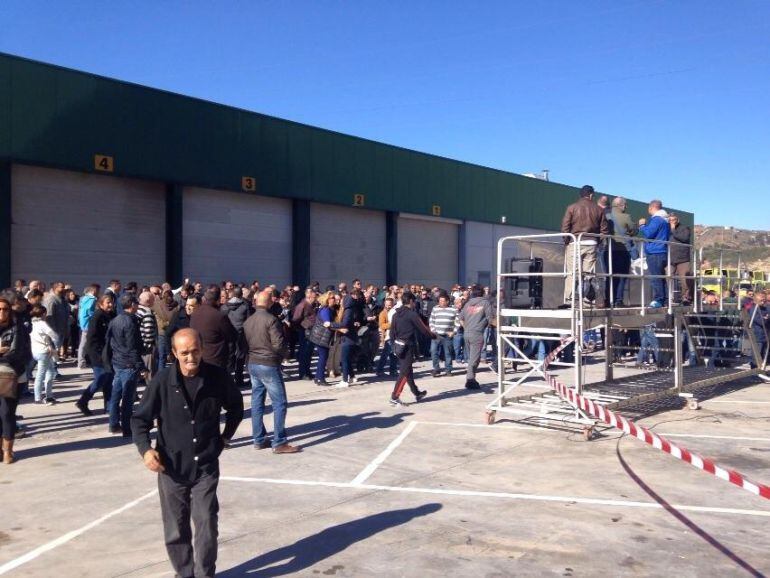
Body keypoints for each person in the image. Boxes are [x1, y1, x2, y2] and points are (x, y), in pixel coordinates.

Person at [131, 328, 243, 578]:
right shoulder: (161, 381)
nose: (190, 357)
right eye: (184, 353)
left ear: (202, 349)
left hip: (205, 465)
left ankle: (205, 574)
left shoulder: (217, 377)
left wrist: (225, 437)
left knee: (206, 524)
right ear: (174, 353)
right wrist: (146, 451)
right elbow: (139, 420)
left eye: (195, 351)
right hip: (171, 467)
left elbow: (235, 407)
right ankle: (184, 574)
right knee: (175, 528)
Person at [243, 290, 299, 454]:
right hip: (267, 363)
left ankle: (259, 439)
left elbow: (244, 344)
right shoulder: (271, 320)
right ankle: (279, 441)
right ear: (269, 303)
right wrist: (286, 354)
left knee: (257, 401)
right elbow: (278, 344)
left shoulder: (249, 321)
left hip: (253, 362)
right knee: (279, 403)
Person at [560, 185, 609, 306]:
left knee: (573, 272)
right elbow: (604, 230)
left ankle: (570, 300)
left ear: (580, 195)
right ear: (591, 195)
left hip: (574, 242)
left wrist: (567, 241)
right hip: (591, 243)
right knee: (588, 273)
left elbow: (565, 227)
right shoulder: (599, 209)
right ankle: (588, 300)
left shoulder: (572, 207)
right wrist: (598, 242)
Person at [106, 294, 147, 436]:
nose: (138, 306)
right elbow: (132, 346)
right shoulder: (130, 322)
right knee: (127, 398)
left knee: (116, 395)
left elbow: (109, 342)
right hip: (128, 363)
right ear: (132, 304)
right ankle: (127, 429)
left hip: (118, 362)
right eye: (136, 303)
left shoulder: (115, 320)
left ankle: (113, 424)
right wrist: (140, 365)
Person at [388, 292, 433, 407]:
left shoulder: (395, 314)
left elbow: (392, 332)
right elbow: (424, 330)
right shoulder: (412, 315)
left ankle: (417, 393)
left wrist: (394, 345)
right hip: (408, 346)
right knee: (404, 372)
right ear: (411, 301)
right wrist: (435, 336)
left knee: (408, 371)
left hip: (398, 346)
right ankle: (394, 397)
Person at [0, 297, 29, 463]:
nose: (2, 312)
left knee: (7, 413)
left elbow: (16, 353)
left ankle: (7, 451)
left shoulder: (17, 327)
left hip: (12, 376)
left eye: (5, 309)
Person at [76, 294, 116, 416]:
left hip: (109, 353)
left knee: (109, 380)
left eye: (111, 302)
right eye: (108, 303)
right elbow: (91, 339)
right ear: (101, 304)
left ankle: (109, 407)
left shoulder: (112, 315)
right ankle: (83, 401)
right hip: (97, 354)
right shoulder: (97, 317)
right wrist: (98, 356)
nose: (110, 305)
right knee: (100, 378)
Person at [190, 287, 238, 369]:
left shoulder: (195, 314)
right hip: (215, 360)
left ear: (204, 298)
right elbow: (232, 335)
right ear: (218, 300)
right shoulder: (219, 316)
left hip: (199, 357)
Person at [459, 286, 494, 390]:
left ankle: (470, 378)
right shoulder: (485, 303)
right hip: (477, 334)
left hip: (467, 333)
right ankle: (470, 380)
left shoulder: (467, 304)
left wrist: (467, 328)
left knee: (471, 358)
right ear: (482, 293)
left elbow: (460, 318)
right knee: (474, 359)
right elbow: (490, 319)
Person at [638, 199, 670, 308]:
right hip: (662, 251)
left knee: (656, 277)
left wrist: (642, 225)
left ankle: (659, 299)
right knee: (661, 277)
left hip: (655, 252)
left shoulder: (657, 219)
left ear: (652, 207)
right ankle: (665, 299)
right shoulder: (665, 220)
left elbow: (648, 233)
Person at [605, 197, 636, 306]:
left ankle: (608, 300)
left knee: (609, 275)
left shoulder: (606, 216)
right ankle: (618, 300)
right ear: (621, 205)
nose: (626, 207)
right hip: (622, 249)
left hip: (607, 249)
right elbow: (633, 230)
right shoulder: (626, 216)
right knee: (622, 276)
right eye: (625, 205)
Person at [330, 289, 361, 388]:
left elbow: (345, 323)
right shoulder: (351, 309)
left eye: (342, 300)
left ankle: (344, 380)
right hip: (351, 337)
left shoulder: (347, 310)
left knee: (344, 359)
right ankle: (352, 376)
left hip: (348, 338)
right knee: (347, 359)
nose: (340, 302)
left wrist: (332, 324)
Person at [29, 305, 59, 404]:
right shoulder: (42, 324)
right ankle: (38, 397)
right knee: (41, 375)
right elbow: (53, 334)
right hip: (44, 351)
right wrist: (55, 344)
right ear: (43, 314)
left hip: (35, 351)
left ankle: (48, 395)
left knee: (49, 372)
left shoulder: (32, 323)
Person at [312, 291, 338, 386]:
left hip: (324, 336)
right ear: (327, 300)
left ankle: (317, 377)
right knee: (323, 357)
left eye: (334, 298)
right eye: (332, 298)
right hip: (321, 337)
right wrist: (339, 326)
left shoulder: (331, 309)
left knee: (323, 357)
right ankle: (321, 379)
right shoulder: (325, 310)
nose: (334, 300)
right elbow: (327, 323)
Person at [292, 288, 317, 380]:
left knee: (309, 353)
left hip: (311, 332)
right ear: (309, 296)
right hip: (305, 332)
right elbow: (295, 319)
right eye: (314, 297)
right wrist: (302, 326)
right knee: (304, 353)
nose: (315, 298)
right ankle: (303, 373)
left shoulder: (311, 305)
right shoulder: (302, 305)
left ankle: (307, 371)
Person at [429, 294, 457, 376]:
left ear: (447, 301)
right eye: (440, 301)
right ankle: (436, 369)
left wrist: (454, 332)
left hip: (447, 336)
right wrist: (433, 331)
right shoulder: (435, 309)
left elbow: (458, 322)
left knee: (448, 353)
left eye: (443, 301)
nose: (441, 302)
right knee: (433, 351)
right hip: (436, 335)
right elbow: (431, 320)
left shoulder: (453, 309)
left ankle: (448, 370)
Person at [668, 213, 693, 306]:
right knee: (667, 277)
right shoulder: (666, 229)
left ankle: (686, 298)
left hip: (683, 259)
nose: (672, 222)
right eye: (670, 220)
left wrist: (673, 230)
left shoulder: (684, 228)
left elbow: (685, 238)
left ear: (677, 220)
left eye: (673, 220)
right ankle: (668, 297)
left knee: (685, 280)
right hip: (670, 258)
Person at [43, 282, 68, 360]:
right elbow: (48, 316)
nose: (64, 289)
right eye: (62, 287)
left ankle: (53, 370)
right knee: (52, 352)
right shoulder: (51, 299)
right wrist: (52, 331)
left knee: (55, 351)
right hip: (54, 330)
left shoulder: (62, 299)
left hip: (61, 329)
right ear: (55, 288)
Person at [137, 291, 159, 379]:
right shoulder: (147, 312)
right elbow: (149, 330)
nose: (154, 302)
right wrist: (149, 346)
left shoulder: (137, 309)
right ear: (148, 300)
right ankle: (150, 390)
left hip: (138, 345)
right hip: (146, 348)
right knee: (149, 372)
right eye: (153, 300)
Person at [77, 284, 99, 369]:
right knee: (85, 343)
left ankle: (82, 361)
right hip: (88, 324)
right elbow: (90, 311)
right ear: (93, 291)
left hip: (83, 324)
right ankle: (82, 362)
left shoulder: (83, 299)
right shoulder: (92, 299)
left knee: (84, 343)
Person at [375, 297, 397, 377]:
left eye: (390, 305)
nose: (388, 306)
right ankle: (379, 370)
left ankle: (393, 370)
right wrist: (392, 324)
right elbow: (381, 325)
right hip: (387, 337)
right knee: (385, 355)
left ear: (393, 304)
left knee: (394, 354)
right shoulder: (382, 313)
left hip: (394, 336)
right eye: (387, 305)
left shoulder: (394, 312)